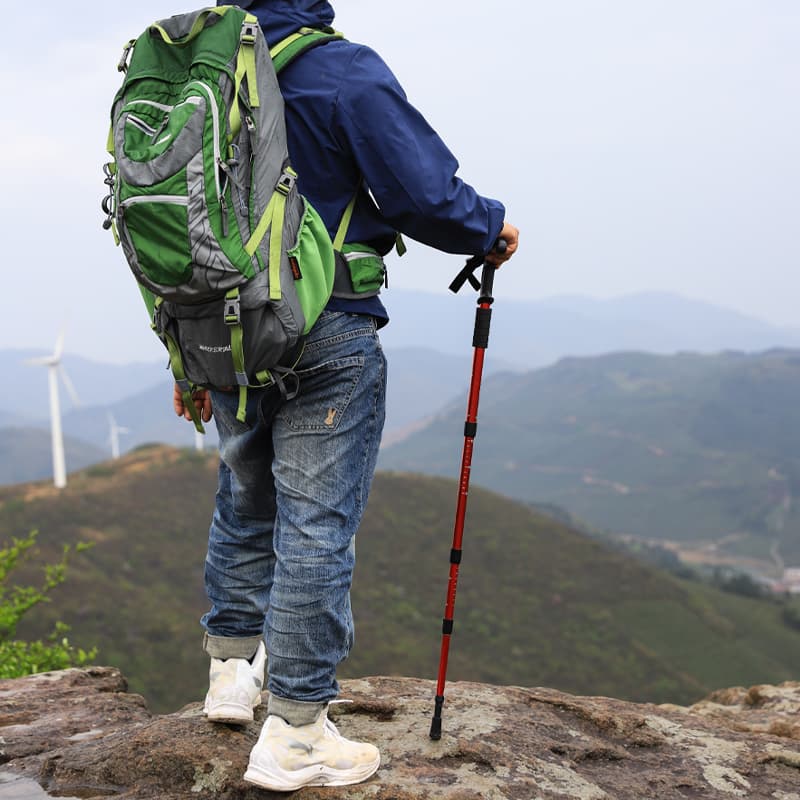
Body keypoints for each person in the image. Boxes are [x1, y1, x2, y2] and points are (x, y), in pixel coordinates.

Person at [172, 0, 519, 792]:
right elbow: (422, 193)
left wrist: (182, 355)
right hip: (324, 327)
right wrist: (489, 227)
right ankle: (295, 733)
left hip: (220, 332)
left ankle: (231, 674)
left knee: (244, 492)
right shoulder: (340, 70)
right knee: (316, 524)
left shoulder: (204, 69)